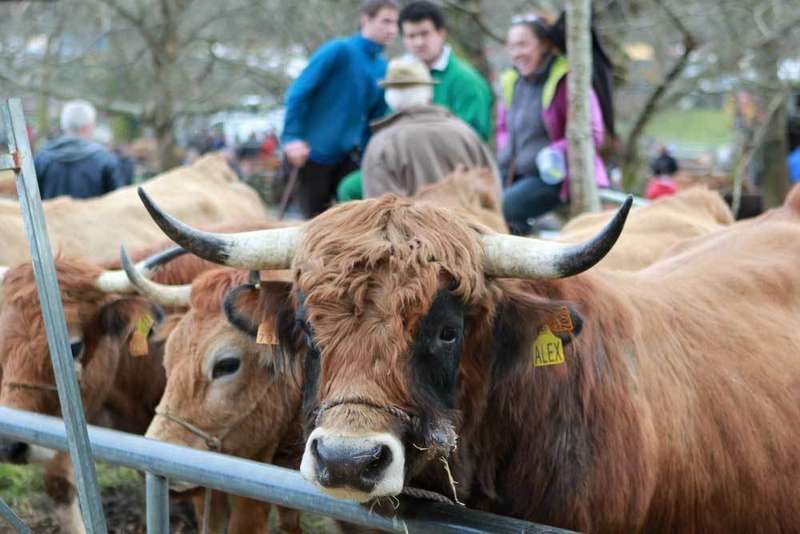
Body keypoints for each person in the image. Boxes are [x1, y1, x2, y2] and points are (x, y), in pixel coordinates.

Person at [280, 0, 399, 218]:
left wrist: (370, 156)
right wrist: (292, 138)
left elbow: (376, 118)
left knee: (352, 225)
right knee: (312, 226)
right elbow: (298, 92)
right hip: (311, 157)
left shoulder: (383, 66)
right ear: (366, 19)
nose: (392, 29)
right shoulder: (339, 50)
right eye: (386, 21)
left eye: (395, 23)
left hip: (348, 158)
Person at [498, 13, 609, 235]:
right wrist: (504, 153)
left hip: (555, 179)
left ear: (544, 44)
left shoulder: (568, 81)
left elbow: (594, 133)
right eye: (512, 47)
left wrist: (555, 152)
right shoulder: (512, 82)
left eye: (523, 44)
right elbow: (503, 128)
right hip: (515, 175)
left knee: (501, 208)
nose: (517, 53)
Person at [361, 58, 499, 199]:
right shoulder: (465, 133)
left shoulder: (382, 144)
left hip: (411, 222)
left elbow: (380, 211)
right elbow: (494, 191)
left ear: (389, 97)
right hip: (467, 220)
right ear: (429, 93)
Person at [398, 1, 493, 141]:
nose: (418, 42)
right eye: (411, 36)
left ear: (441, 33)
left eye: (425, 34)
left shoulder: (466, 80)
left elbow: (473, 138)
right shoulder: (398, 79)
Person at [34, 100, 127, 200]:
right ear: (88, 126)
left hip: (50, 215)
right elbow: (118, 201)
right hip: (92, 215)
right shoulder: (105, 160)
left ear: (63, 125)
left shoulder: (41, 158)